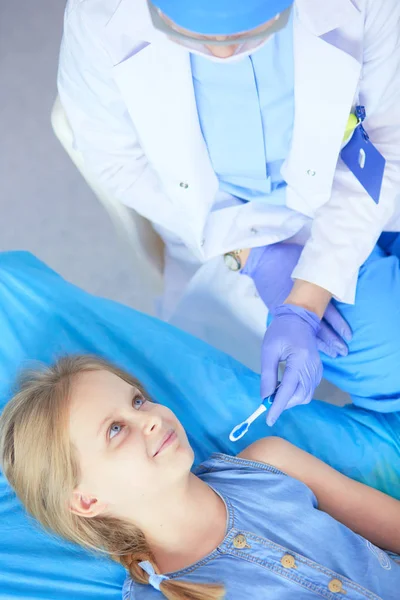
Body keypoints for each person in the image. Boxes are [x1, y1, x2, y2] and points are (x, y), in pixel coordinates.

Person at [57, 0, 400, 423]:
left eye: (248, 32)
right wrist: (251, 253)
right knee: (391, 355)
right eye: (192, 34)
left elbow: (386, 140)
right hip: (228, 221)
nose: (222, 52)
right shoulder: (99, 16)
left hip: (355, 188)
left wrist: (306, 300)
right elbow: (115, 159)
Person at [1, 355, 400, 599]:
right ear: (86, 500)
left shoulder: (270, 463)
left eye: (138, 400)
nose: (151, 419)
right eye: (115, 429)